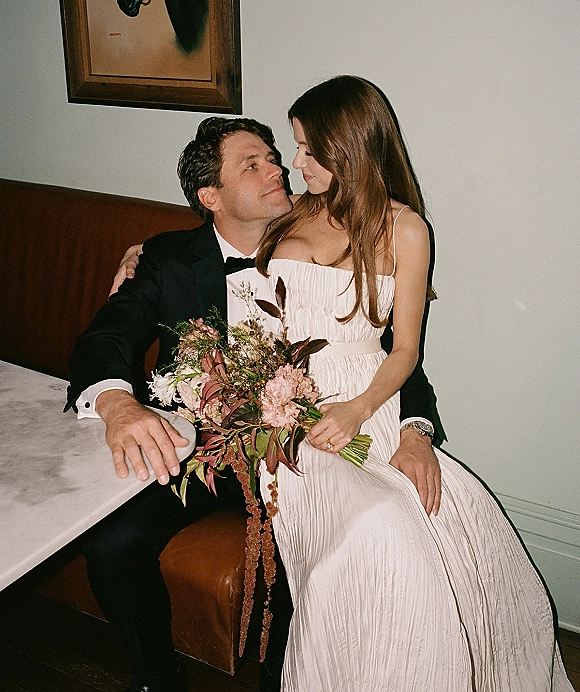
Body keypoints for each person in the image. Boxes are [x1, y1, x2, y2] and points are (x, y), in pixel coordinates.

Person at [66, 115, 445, 692]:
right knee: (112, 541)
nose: (276, 169)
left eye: (273, 156)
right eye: (253, 164)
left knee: (334, 543)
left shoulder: (318, 229)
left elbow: (383, 344)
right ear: (210, 196)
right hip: (200, 447)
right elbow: (105, 337)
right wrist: (119, 406)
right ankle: (156, 680)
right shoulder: (167, 260)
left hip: (301, 448)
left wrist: (416, 430)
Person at [250, 75, 574, 691]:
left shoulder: (406, 229)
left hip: (370, 400)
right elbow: (221, 253)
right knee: (381, 523)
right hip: (291, 414)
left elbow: (403, 352)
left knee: (454, 515)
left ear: (345, 149)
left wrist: (364, 412)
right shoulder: (295, 212)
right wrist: (140, 252)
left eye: (306, 148)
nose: (295, 163)